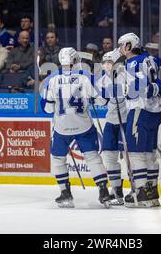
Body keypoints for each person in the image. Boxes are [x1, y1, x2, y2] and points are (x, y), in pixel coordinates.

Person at [41, 47, 113, 208]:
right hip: (84, 126)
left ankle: (65, 193)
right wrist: (93, 99)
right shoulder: (86, 77)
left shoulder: (51, 80)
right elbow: (102, 101)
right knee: (92, 157)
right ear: (75, 61)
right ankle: (103, 191)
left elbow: (47, 109)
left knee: (58, 159)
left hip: (62, 128)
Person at [117, 33, 161, 207]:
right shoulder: (150, 59)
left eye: (122, 45)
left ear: (129, 46)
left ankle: (141, 192)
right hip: (156, 112)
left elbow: (140, 88)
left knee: (136, 152)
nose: (120, 48)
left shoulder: (132, 63)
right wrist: (158, 88)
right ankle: (152, 192)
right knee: (149, 152)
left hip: (140, 110)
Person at [96, 49, 128, 205]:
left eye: (110, 62)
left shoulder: (125, 77)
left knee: (130, 157)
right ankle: (116, 190)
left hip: (126, 121)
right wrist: (94, 96)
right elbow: (101, 102)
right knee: (109, 157)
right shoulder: (101, 81)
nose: (107, 65)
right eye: (104, 63)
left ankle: (137, 188)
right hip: (111, 122)